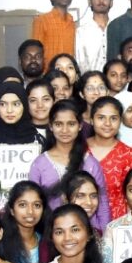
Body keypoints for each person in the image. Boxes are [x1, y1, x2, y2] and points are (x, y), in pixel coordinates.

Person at [29, 99, 111, 231]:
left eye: (71, 124)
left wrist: (106, 236)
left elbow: (103, 205)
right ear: (50, 126)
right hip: (52, 232)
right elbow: (33, 203)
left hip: (89, 233)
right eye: (59, 124)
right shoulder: (39, 164)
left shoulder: (90, 163)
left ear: (80, 126)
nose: (65, 130)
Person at [0, 181, 49, 263]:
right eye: (22, 205)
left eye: (37, 205)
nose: (30, 211)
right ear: (12, 210)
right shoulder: (0, 244)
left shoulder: (48, 244)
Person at [32, 0, 75, 68]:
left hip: (68, 73)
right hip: (49, 73)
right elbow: (36, 52)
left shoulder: (72, 22)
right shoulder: (41, 20)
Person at [75, 0, 115, 75]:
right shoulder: (81, 32)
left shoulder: (118, 28)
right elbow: (80, 62)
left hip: (116, 81)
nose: (101, 1)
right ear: (89, 2)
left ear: (111, 2)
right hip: (91, 81)